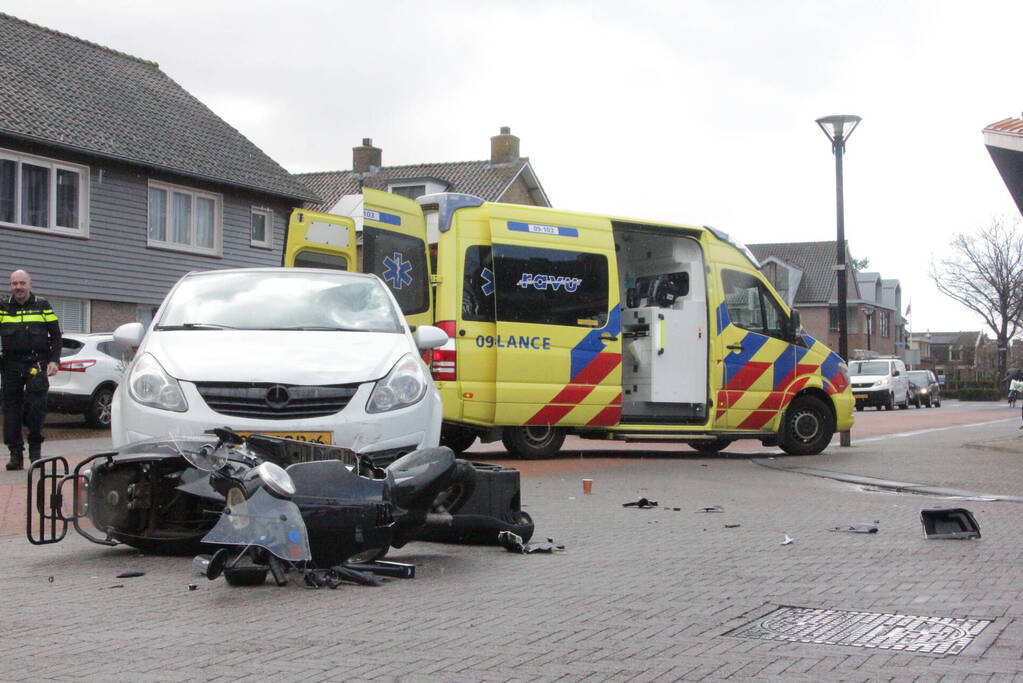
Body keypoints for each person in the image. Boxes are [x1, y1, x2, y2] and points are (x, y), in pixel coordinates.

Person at [0, 270, 61, 470]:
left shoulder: (42, 305)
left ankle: (35, 453)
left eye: (22, 283)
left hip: (37, 363)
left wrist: (54, 361)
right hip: (10, 365)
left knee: (36, 408)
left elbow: (56, 336)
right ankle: (15, 455)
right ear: (11, 285)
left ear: (30, 284)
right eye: (14, 283)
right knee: (11, 411)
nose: (18, 287)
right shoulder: (3, 306)